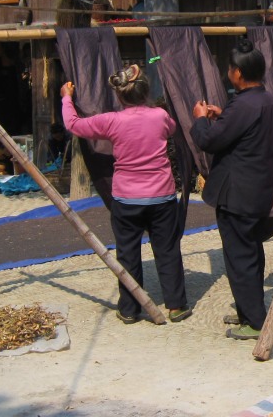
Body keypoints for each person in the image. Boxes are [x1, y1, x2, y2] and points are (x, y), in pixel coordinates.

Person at [60, 64, 191, 324]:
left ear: (119, 97)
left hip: (127, 199)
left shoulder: (111, 121)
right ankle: (176, 306)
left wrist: (67, 97)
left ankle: (130, 308)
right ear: (146, 92)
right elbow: (173, 129)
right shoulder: (160, 116)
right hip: (162, 197)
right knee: (167, 250)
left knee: (128, 253)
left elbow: (73, 124)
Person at [190, 39, 273, 340]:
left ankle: (255, 321)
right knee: (250, 251)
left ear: (239, 74)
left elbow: (209, 142)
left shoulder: (244, 104)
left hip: (238, 193)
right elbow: (252, 136)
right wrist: (223, 119)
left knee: (239, 256)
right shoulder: (270, 101)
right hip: (259, 188)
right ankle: (250, 308)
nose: (228, 73)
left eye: (230, 69)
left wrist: (200, 121)